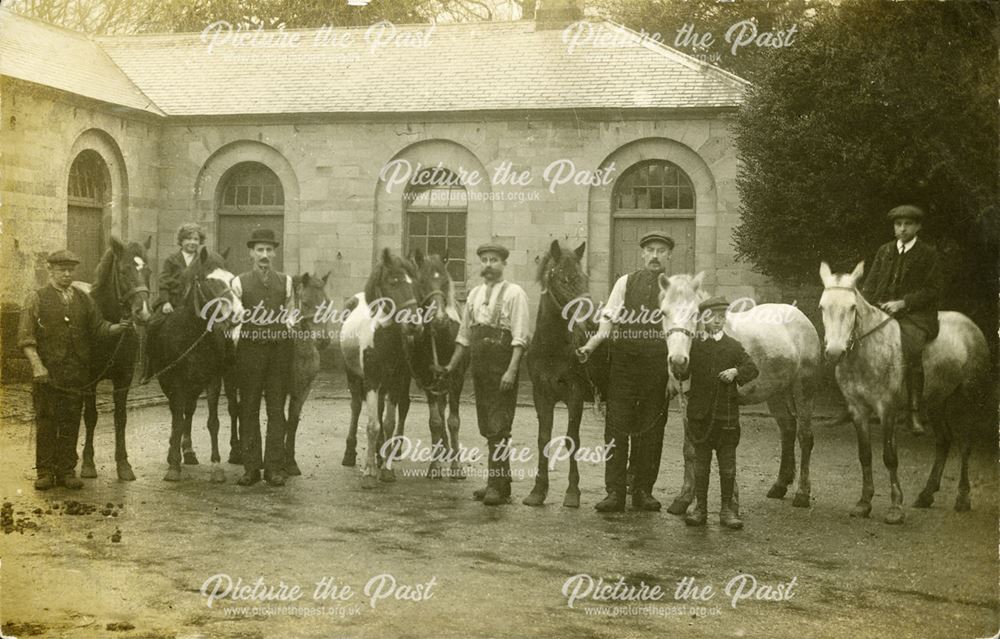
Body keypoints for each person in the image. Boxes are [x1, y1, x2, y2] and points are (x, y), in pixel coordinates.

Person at [577, 232, 674, 512]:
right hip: (624, 365)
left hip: (657, 366)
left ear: (669, 256)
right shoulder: (625, 282)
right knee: (617, 428)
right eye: (650, 250)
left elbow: (679, 332)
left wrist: (671, 372)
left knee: (651, 429)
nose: (655, 255)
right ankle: (615, 492)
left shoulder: (675, 289)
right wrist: (592, 344)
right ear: (642, 254)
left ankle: (643, 491)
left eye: (661, 250)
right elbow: (607, 319)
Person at [17, 250, 130, 490]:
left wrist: (117, 328)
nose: (67, 274)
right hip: (48, 373)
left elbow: (99, 327)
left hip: (76, 372)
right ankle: (45, 471)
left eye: (71, 270)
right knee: (47, 421)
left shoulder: (83, 299)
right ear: (51, 271)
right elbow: (26, 338)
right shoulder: (36, 298)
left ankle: (67, 471)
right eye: (62, 270)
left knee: (70, 421)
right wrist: (37, 366)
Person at [437, 242, 530, 506]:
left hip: (502, 367)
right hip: (480, 368)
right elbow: (464, 336)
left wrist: (512, 370)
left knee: (499, 426)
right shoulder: (475, 295)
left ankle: (495, 485)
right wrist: (451, 366)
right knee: (487, 426)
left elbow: (521, 337)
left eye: (494, 260)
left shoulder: (515, 294)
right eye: (485, 260)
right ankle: (502, 482)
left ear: (504, 264)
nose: (488, 265)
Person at [859, 204, 942, 435]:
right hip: (883, 310)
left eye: (908, 224)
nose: (902, 229)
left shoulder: (928, 253)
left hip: (915, 314)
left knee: (910, 349)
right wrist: (868, 306)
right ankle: (871, 403)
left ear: (918, 227)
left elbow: (933, 289)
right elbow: (871, 284)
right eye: (898, 224)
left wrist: (903, 302)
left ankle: (914, 411)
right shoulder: (885, 251)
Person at [684, 296, 758, 529]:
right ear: (702, 319)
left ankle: (727, 509)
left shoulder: (733, 346)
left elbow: (752, 368)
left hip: (726, 417)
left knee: (727, 466)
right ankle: (700, 508)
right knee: (701, 465)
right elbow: (683, 373)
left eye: (721, 317)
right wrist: (678, 367)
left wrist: (736, 371)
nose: (717, 322)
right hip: (700, 418)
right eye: (711, 317)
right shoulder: (693, 346)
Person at [232, 228, 294, 487]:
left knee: (277, 410)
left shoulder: (286, 281)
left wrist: (285, 327)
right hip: (250, 353)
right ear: (251, 253)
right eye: (260, 250)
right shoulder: (238, 282)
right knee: (249, 410)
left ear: (275, 253)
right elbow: (235, 318)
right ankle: (250, 468)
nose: (265, 255)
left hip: (278, 354)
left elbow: (291, 314)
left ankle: (273, 468)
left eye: (269, 250)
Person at [141, 223, 206, 383]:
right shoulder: (172, 259)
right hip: (173, 302)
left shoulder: (202, 259)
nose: (192, 242)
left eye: (196, 239)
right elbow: (163, 281)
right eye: (188, 238)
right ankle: (148, 366)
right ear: (181, 241)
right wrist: (165, 302)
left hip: (196, 304)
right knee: (153, 325)